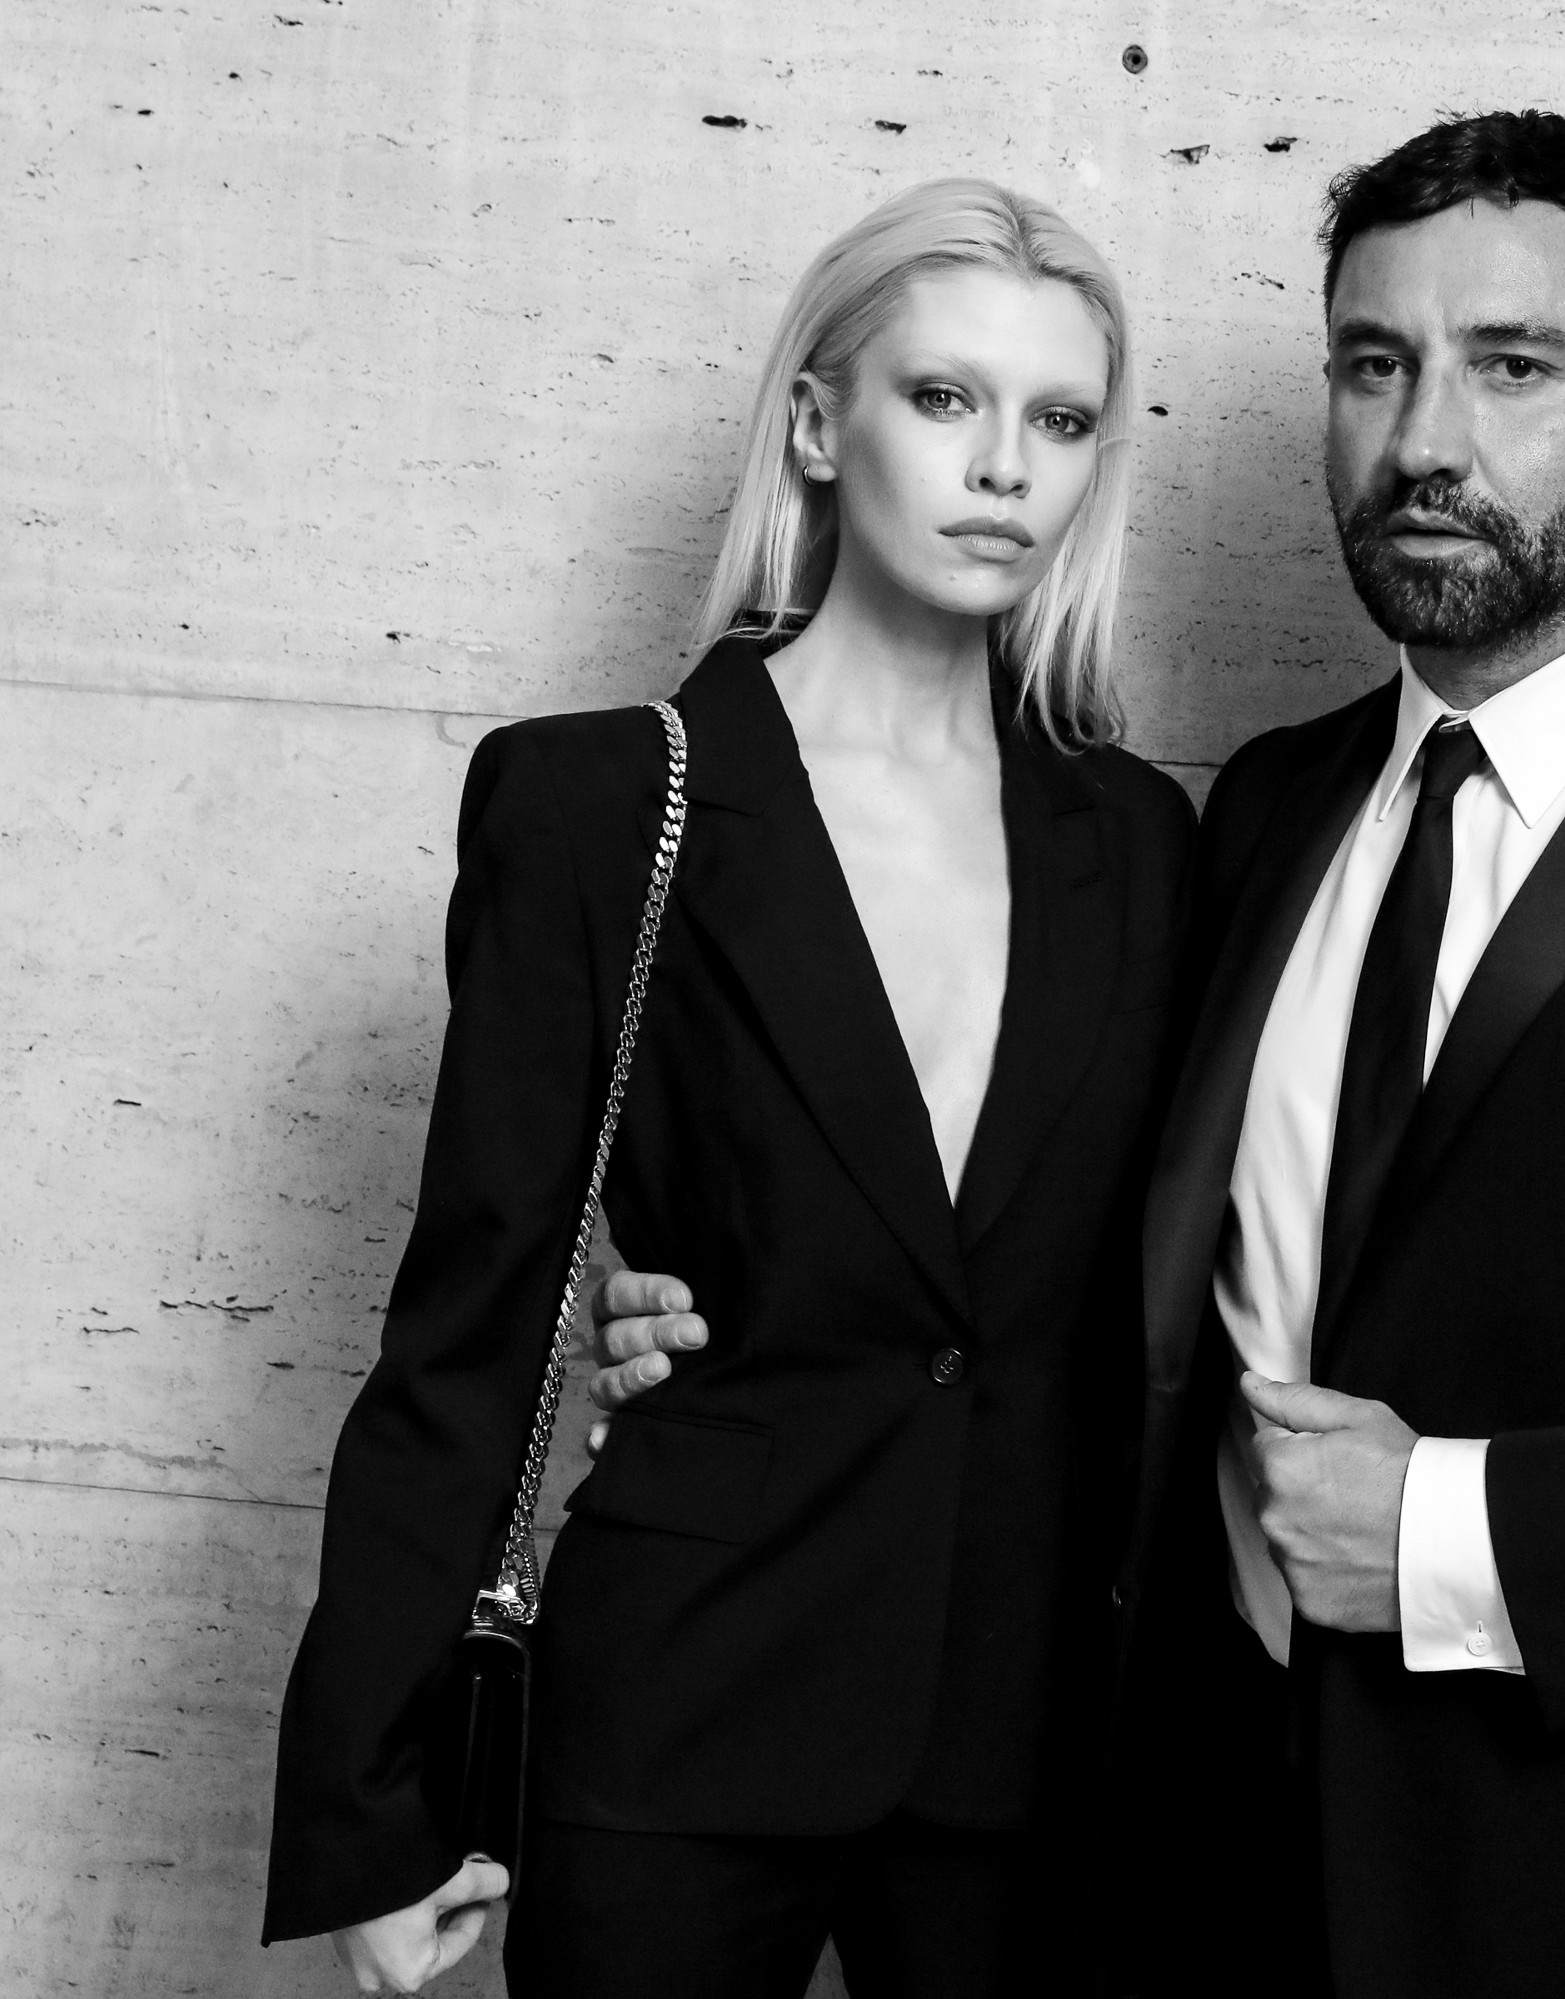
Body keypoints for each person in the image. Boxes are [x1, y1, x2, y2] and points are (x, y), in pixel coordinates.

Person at [596, 111, 1565, 1996]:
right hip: (1219, 1882)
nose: (1425, 440)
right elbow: (1047, 1247)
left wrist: (1452, 1530)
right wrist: (712, 1295)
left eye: (1514, 367)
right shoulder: (1263, 811)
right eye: (1374, 365)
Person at [261, 177, 1193, 1999]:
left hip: (1023, 1745)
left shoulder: (1144, 843)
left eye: (1063, 420)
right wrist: (376, 1801)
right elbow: (471, 1322)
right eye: (945, 397)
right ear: (819, 424)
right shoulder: (602, 806)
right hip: (678, 1700)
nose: (1005, 466)